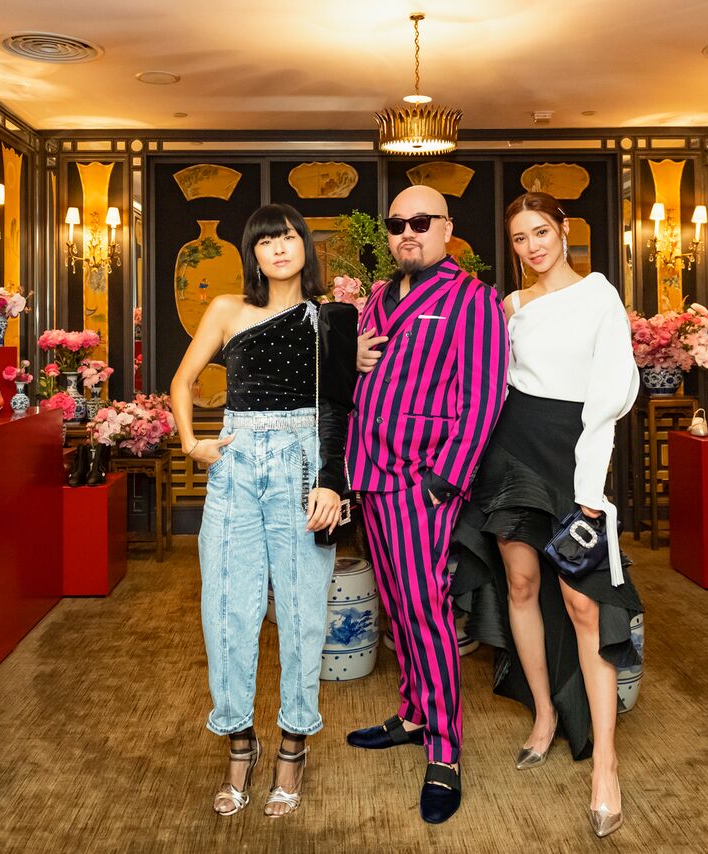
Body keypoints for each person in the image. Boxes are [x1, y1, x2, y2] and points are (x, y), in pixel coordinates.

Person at [450, 191, 641, 838]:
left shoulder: (597, 296)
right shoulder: (506, 308)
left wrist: (590, 488)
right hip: (509, 455)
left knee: (585, 601)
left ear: (563, 230)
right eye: (520, 239)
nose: (532, 246)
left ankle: (606, 766)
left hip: (571, 455)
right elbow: (476, 380)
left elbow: (613, 394)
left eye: (541, 231)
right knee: (522, 585)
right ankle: (543, 716)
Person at [171, 203, 357, 819]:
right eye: (266, 241)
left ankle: (293, 747)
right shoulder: (227, 309)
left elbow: (337, 407)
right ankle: (239, 742)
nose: (279, 248)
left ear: (305, 245)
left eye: (288, 237)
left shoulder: (330, 316)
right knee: (227, 607)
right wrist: (191, 442)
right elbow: (184, 379)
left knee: (304, 609)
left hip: (303, 464)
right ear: (252, 254)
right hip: (236, 462)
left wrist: (333, 482)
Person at [345, 184, 508, 824]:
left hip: (423, 483)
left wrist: (447, 478)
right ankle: (414, 714)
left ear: (447, 229)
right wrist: (347, 357)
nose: (406, 232)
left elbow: (486, 395)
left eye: (420, 221)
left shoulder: (475, 300)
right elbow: (350, 379)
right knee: (399, 609)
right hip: (370, 475)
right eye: (396, 223)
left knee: (427, 611)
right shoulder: (377, 301)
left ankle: (445, 750)